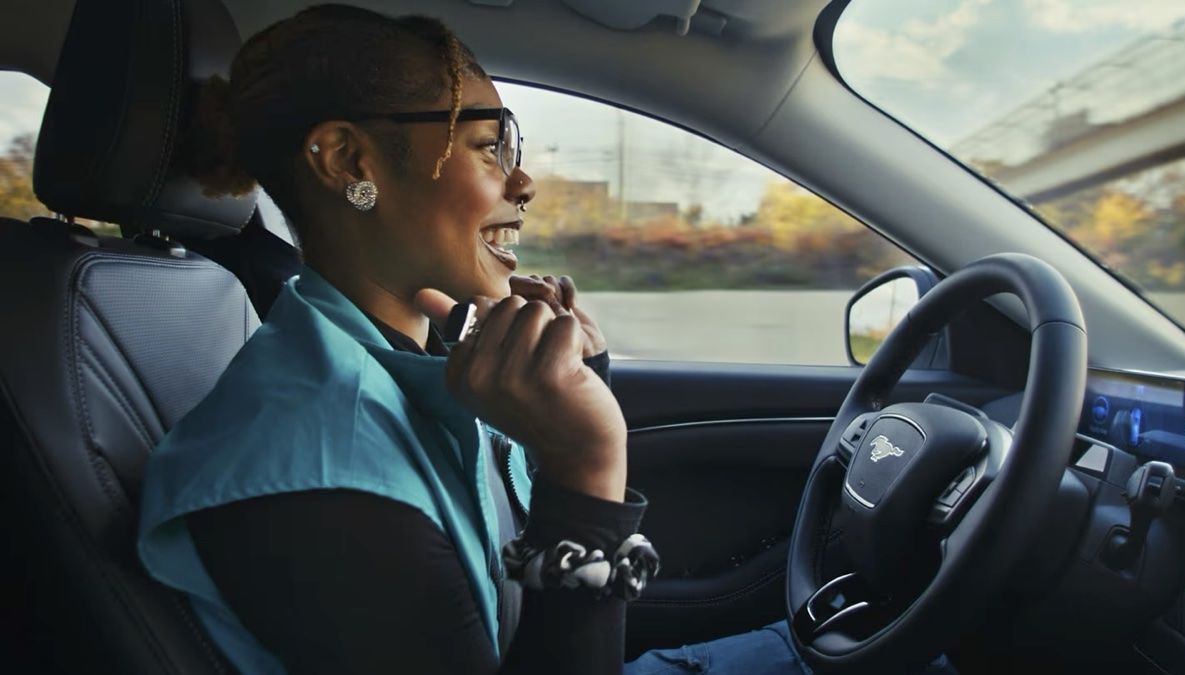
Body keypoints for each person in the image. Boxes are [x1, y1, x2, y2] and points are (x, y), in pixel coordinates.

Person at [137, 5, 950, 674]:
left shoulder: (393, 356)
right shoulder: (310, 469)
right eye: (490, 146)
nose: (523, 181)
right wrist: (585, 472)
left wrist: (583, 378)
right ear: (348, 159)